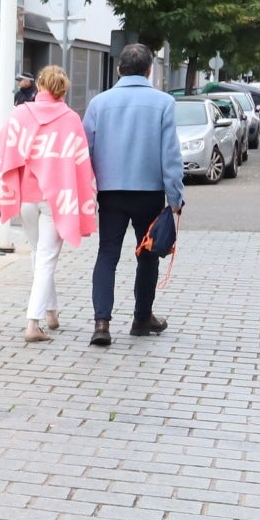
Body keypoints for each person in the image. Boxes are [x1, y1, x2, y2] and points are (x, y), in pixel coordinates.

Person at [81, 42, 183, 347]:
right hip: (149, 193)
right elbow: (171, 156)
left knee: (107, 254)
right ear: (150, 70)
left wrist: (89, 189)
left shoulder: (99, 103)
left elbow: (85, 150)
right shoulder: (163, 102)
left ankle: (102, 322)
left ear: (118, 68)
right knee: (147, 255)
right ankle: (141, 318)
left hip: (110, 193)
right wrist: (175, 200)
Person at [0, 64, 97, 343]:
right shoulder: (71, 120)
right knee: (47, 259)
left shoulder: (21, 114)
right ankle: (33, 324)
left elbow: (2, 150)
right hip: (55, 200)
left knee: (39, 253)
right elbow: (82, 164)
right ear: (63, 89)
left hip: (26, 197)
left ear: (40, 86)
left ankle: (51, 312)